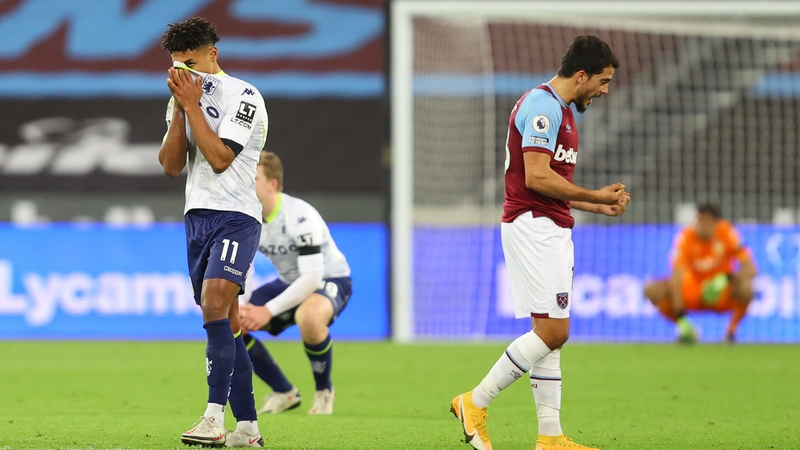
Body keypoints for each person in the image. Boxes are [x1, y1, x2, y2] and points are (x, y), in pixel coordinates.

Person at [451, 36, 629, 450]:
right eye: (602, 81)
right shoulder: (543, 106)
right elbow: (536, 176)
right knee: (553, 330)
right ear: (581, 75)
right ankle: (473, 403)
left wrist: (593, 207)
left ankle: (550, 437)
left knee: (547, 331)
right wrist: (597, 195)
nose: (605, 90)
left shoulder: (561, 110)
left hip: (548, 223)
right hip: (534, 226)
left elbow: (553, 182)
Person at [158, 16, 268, 448]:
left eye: (192, 62)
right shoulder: (181, 97)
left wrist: (192, 106)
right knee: (227, 320)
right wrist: (179, 111)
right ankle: (249, 429)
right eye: (178, 65)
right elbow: (170, 166)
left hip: (237, 214)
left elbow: (221, 158)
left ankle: (211, 418)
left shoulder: (243, 94)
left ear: (212, 54)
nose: (187, 72)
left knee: (214, 301)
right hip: (197, 216)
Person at [239, 152, 352, 416]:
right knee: (232, 321)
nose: (246, 183)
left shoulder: (300, 216)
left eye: (254, 178)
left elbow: (312, 277)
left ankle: (324, 392)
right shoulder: (247, 217)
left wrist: (267, 311)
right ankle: (284, 391)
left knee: (309, 317)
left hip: (329, 278)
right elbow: (246, 268)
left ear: (272, 184)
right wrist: (243, 306)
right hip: (290, 282)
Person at [644, 204, 757, 343]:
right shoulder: (686, 236)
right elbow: (676, 277)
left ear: (716, 223)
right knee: (652, 290)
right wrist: (681, 317)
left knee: (747, 288)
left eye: (707, 222)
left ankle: (731, 332)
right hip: (693, 290)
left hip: (721, 293)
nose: (702, 226)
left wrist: (725, 278)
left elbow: (751, 270)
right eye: (700, 221)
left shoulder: (728, 233)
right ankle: (688, 330)